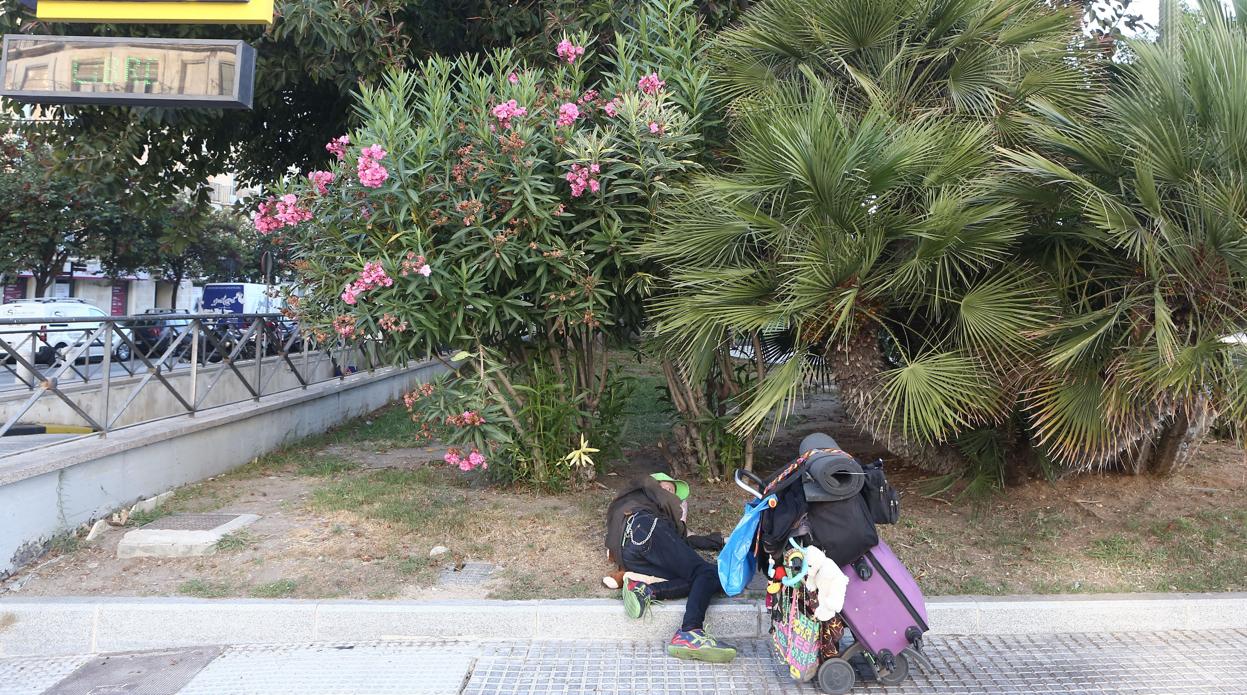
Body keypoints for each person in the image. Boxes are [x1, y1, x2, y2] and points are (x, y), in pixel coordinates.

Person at [604, 472, 735, 663]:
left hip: (629, 554)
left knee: (699, 578)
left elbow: (683, 540)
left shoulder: (629, 503)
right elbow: (678, 533)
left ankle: (646, 590)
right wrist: (680, 514)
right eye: (666, 488)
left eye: (673, 491)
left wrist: (721, 540)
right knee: (706, 572)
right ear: (655, 484)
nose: (669, 493)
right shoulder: (649, 490)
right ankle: (690, 631)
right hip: (647, 529)